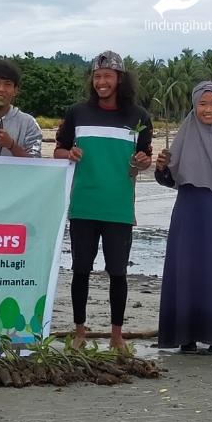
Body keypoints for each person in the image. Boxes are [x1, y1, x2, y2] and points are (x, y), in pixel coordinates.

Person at [54, 50, 153, 351]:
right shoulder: (78, 113)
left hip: (119, 208)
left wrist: (141, 160)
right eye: (97, 76)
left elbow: (145, 160)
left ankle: (116, 336)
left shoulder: (138, 117)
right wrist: (69, 154)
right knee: (80, 269)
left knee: (118, 273)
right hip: (84, 204)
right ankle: (80, 332)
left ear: (119, 79)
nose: (101, 82)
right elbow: (58, 150)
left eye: (107, 76)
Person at [155, 81, 212, 354]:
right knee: (187, 269)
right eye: (202, 104)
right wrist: (161, 168)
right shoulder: (183, 137)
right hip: (189, 212)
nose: (208, 109)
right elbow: (168, 178)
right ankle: (186, 337)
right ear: (194, 106)